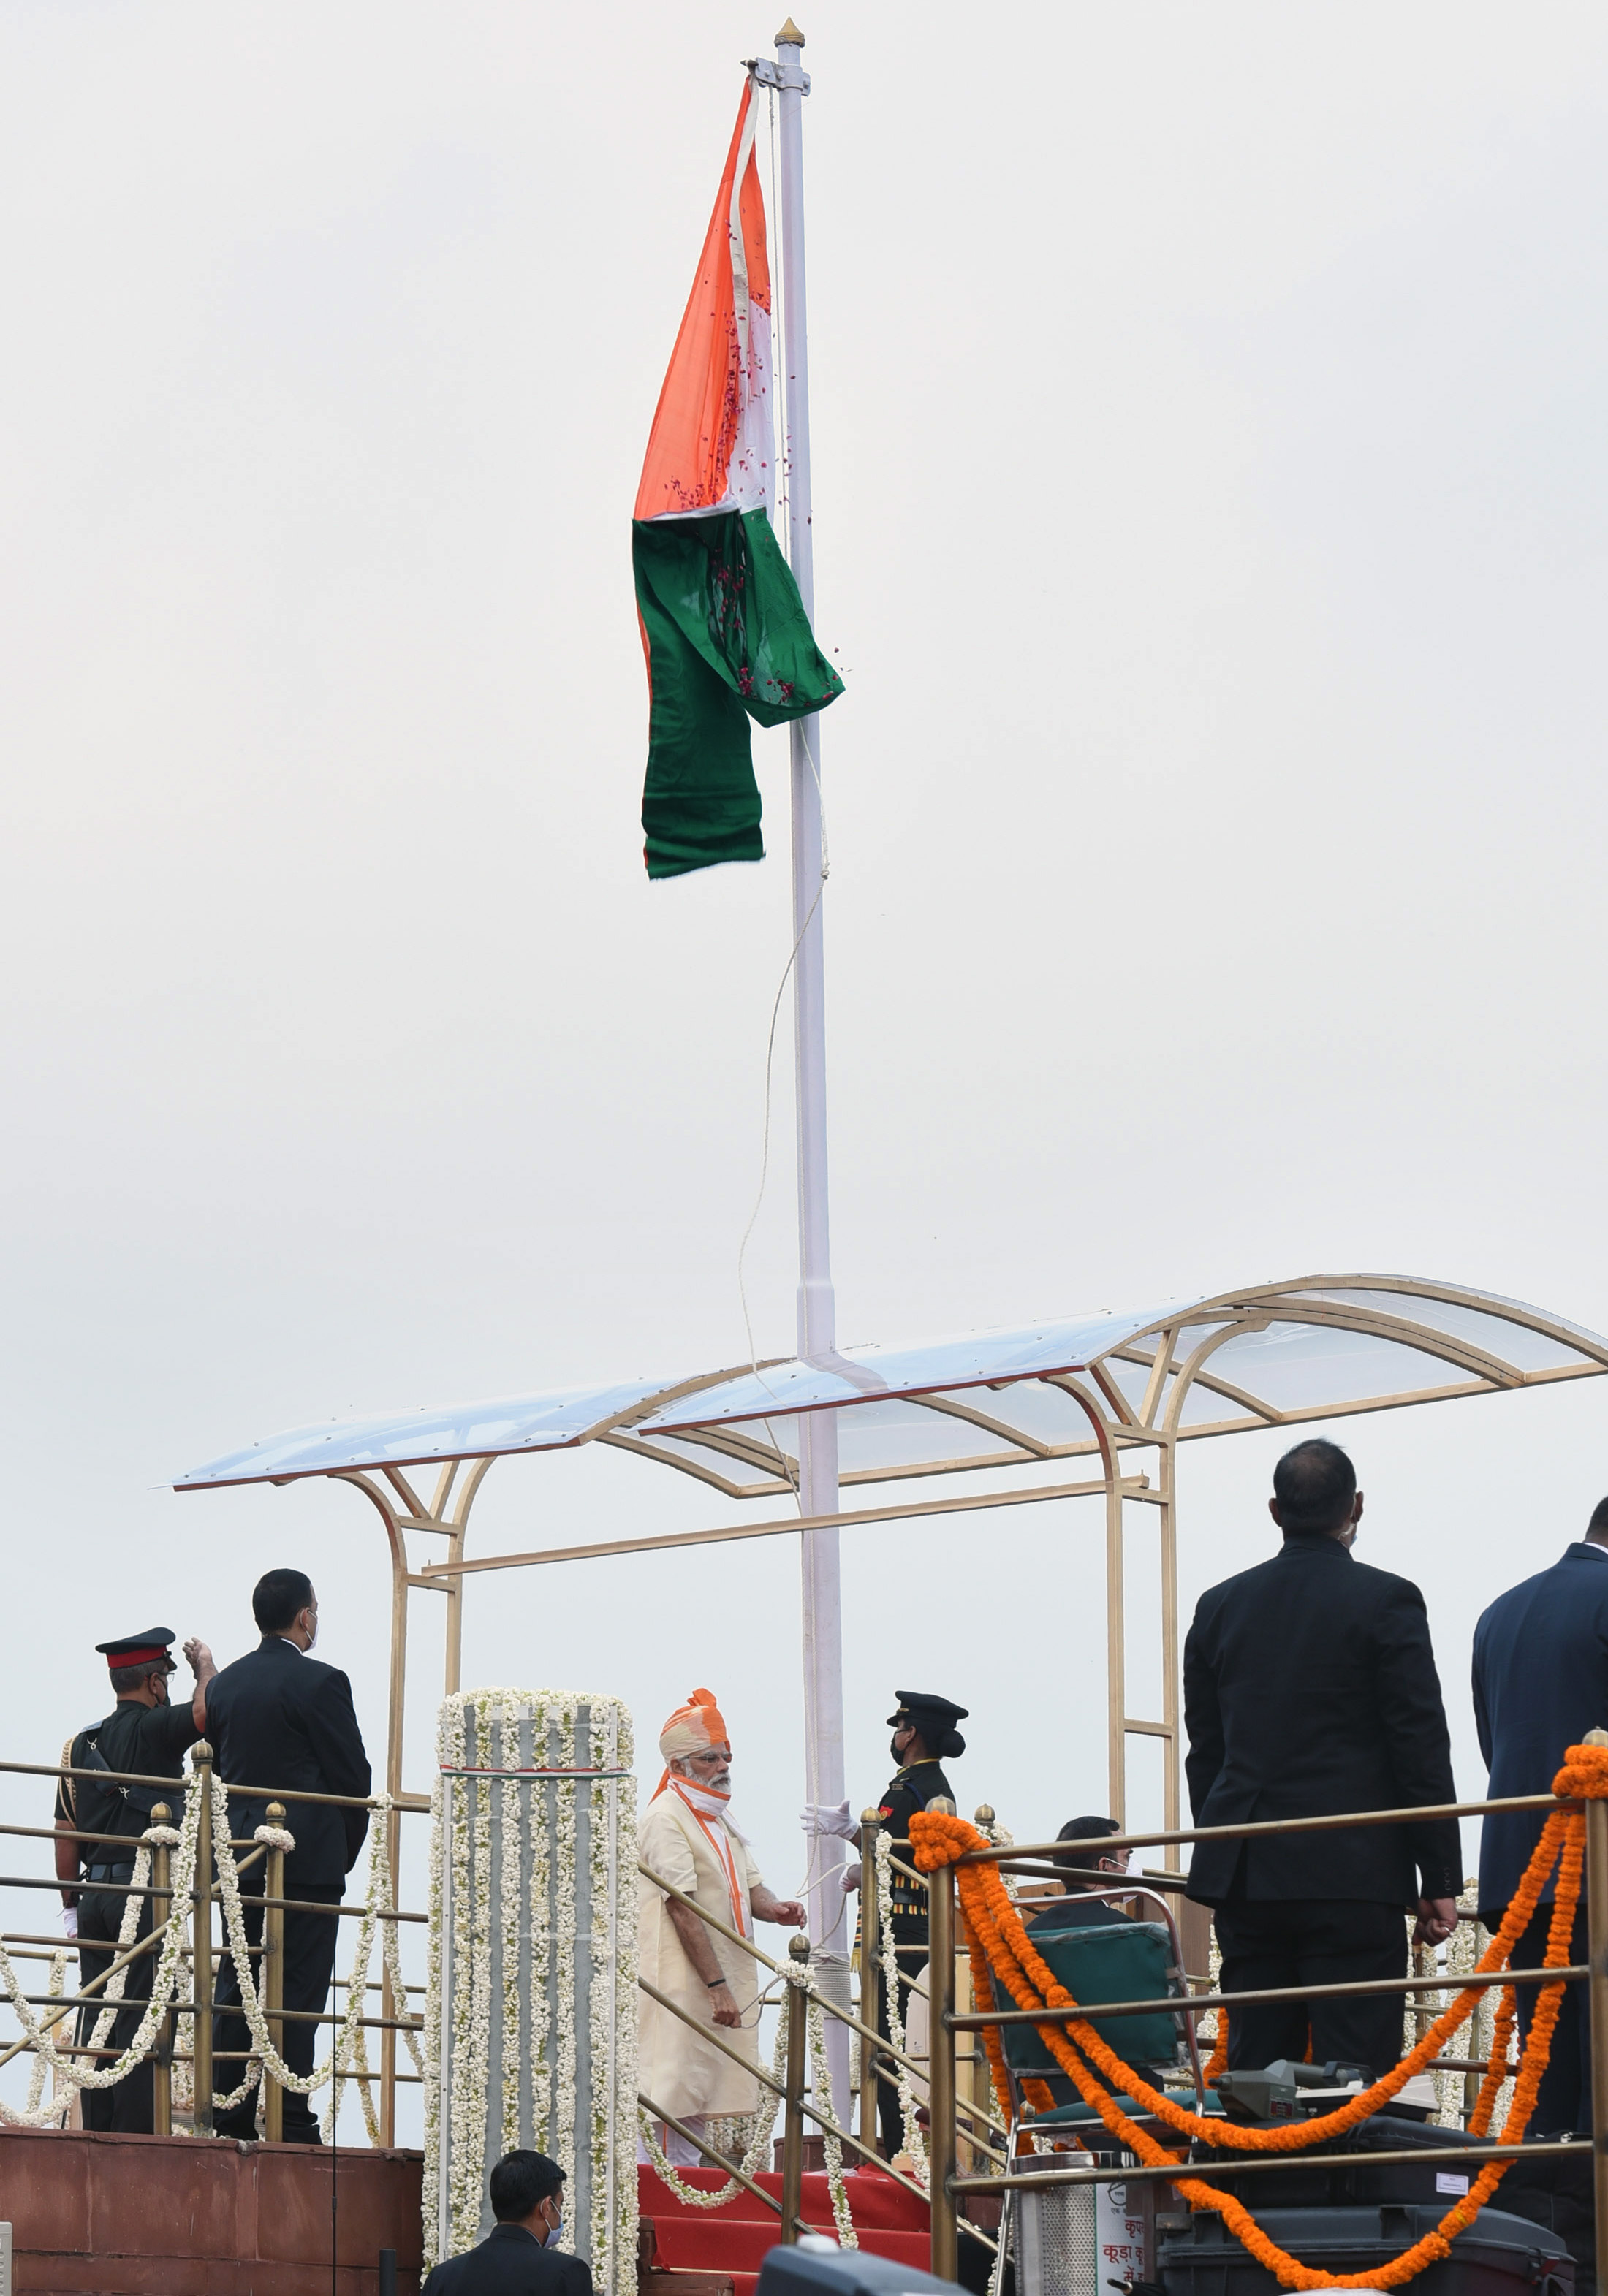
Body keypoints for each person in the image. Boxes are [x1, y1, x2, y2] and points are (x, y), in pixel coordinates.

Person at [1183, 1439, 1461, 2080]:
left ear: (1275, 1511)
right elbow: (1418, 1741)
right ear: (1356, 1507)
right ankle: (1344, 2182)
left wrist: (1229, 1843)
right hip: (1353, 1871)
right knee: (1352, 2072)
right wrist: (1438, 1876)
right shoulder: (1388, 1599)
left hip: (1249, 1870)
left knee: (1256, 2068)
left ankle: (1256, 2180)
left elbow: (1208, 1752)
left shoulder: (1219, 1605)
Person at [204, 1568, 371, 2142]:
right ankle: (292, 2116)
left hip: (242, 1856)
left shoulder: (226, 1686)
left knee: (239, 1978)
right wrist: (340, 1850)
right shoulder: (322, 1682)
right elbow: (353, 1777)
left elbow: (223, 1774)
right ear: (305, 1616)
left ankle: (228, 2109)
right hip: (308, 1858)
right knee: (299, 1987)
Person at [1471, 1499, 1608, 2134]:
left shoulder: (1499, 1612)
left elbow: (1493, 1744)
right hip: (1598, 1866)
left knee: (1546, 2072)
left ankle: (1552, 2221)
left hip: (1521, 1868)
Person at [53, 1627, 216, 2131]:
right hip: (141, 1892)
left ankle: (97, 2130)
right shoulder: (156, 1728)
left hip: (95, 1893)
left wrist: (70, 1904)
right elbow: (207, 1712)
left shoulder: (81, 1744)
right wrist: (204, 1668)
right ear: (153, 1682)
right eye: (165, 1677)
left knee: (97, 2008)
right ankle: (137, 2136)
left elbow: (65, 1830)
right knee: (140, 2014)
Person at [637, 1688, 805, 2168]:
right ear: (678, 1766)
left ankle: (681, 2188)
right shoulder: (665, 1818)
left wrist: (776, 1910)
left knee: (699, 2092)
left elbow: (750, 1886)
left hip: (719, 1980)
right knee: (672, 2089)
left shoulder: (718, 1818)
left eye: (726, 1756)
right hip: (682, 1981)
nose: (722, 1766)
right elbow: (681, 1908)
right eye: (709, 1758)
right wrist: (716, 1986)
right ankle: (659, 2203)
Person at [805, 1689, 968, 2158]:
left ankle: (898, 2150)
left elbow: (894, 1853)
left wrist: (856, 1844)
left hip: (900, 1927)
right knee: (902, 2038)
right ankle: (905, 2146)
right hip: (912, 1926)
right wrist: (861, 1844)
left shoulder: (908, 1788)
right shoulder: (933, 1784)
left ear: (910, 1733)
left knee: (888, 2042)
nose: (896, 1737)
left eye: (900, 1728)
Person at [422, 2150, 592, 2295]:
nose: (561, 2214)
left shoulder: (442, 2277)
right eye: (560, 2204)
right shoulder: (566, 2272)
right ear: (547, 2206)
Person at [1028, 1816, 1135, 1932]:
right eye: (1127, 1857)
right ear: (1104, 1866)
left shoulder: (1033, 1930)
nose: (1132, 1865)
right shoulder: (1123, 1929)